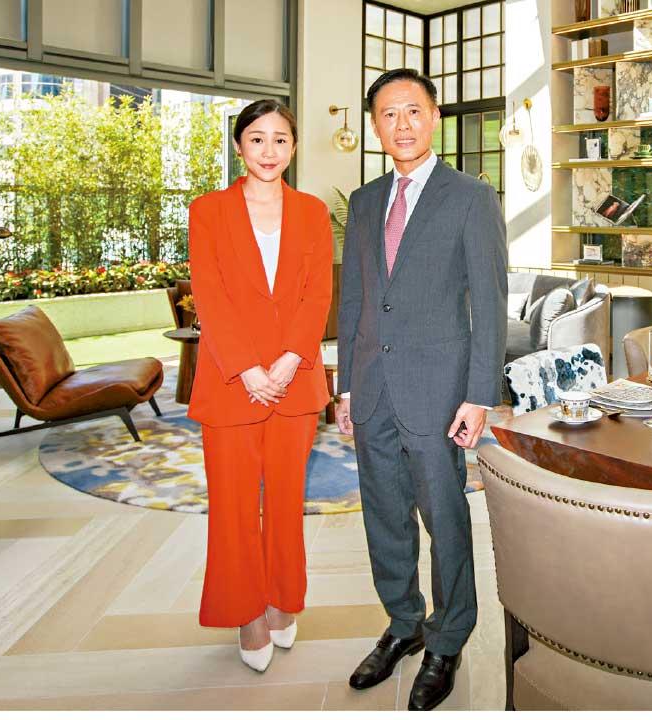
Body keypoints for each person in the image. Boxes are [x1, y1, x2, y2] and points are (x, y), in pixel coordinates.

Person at [335, 68, 507, 711]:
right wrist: (346, 387)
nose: (401, 124)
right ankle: (403, 623)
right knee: (383, 514)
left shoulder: (471, 197)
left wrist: (479, 395)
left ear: (434, 117)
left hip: (439, 390)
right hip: (372, 386)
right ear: (375, 127)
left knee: (444, 517)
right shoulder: (364, 201)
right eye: (388, 114)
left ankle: (448, 637)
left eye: (413, 111)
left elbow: (490, 303)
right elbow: (354, 301)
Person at [187, 99, 333, 673]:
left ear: (293, 147)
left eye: (280, 140)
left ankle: (280, 599)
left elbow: (317, 294)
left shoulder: (312, 212)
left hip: (295, 382)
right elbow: (209, 294)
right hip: (232, 382)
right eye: (256, 139)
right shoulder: (208, 211)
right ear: (238, 145)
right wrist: (248, 367)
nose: (268, 151)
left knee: (287, 502)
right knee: (233, 506)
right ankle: (246, 612)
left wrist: (291, 359)